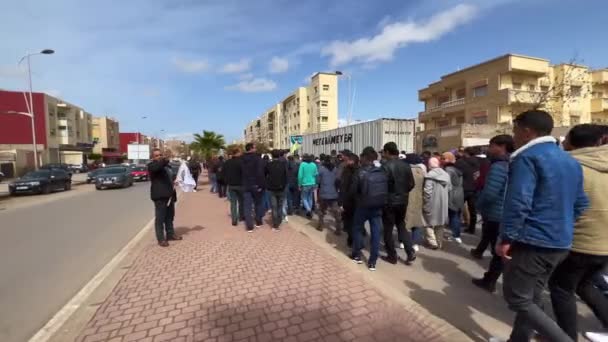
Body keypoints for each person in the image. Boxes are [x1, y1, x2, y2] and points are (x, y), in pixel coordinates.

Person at [496, 110, 588, 342]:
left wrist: (508, 237)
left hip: (533, 241)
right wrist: (561, 225)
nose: (513, 135)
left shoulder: (526, 157)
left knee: (518, 298)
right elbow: (580, 203)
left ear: (527, 131)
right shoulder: (569, 160)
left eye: (515, 129)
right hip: (561, 242)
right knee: (533, 296)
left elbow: (519, 202)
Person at [548, 124, 608, 341]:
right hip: (604, 243)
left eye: (564, 141)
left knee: (560, 287)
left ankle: (566, 336)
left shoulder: (570, 166)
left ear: (571, 143)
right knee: (585, 284)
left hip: (579, 241)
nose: (562, 145)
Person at [470, 134, 514, 293]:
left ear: (501, 146)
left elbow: (490, 193)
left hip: (496, 213)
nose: (489, 149)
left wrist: (479, 205)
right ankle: (490, 277)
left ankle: (490, 280)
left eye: (491, 145)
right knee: (497, 247)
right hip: (505, 211)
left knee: (497, 250)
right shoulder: (513, 163)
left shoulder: (499, 166)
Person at [350, 147, 388, 271]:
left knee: (357, 228)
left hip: (363, 205)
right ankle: (372, 262)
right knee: (376, 232)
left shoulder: (360, 172)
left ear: (365, 158)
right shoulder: (381, 171)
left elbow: (353, 190)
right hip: (378, 205)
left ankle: (357, 254)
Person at [380, 142, 416, 265]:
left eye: (384, 152)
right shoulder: (406, 166)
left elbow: (382, 185)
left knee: (388, 229)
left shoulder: (385, 166)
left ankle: (392, 256)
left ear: (387, 152)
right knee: (402, 226)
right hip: (403, 201)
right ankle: (410, 252)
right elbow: (412, 184)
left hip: (389, 202)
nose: (383, 154)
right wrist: (403, 193)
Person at [148, 148, 182, 247]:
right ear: (153, 157)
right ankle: (161, 239)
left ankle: (170, 234)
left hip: (170, 195)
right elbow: (157, 168)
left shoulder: (167, 167)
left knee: (170, 217)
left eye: (160, 155)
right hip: (160, 196)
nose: (159, 156)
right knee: (160, 218)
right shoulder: (152, 166)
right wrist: (164, 160)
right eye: (157, 155)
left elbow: (170, 176)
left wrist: (175, 179)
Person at [423, 157, 451, 250]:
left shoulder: (430, 175)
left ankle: (432, 241)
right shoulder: (446, 174)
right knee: (440, 222)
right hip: (443, 202)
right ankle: (439, 242)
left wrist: (425, 202)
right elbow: (450, 188)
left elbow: (427, 191)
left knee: (428, 222)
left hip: (431, 202)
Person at [404, 153, 427, 251]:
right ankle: (415, 243)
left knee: (406, 221)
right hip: (419, 198)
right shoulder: (421, 171)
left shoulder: (407, 171)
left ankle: (404, 242)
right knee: (417, 222)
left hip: (408, 197)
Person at [241, 143, 266, 232]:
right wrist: (261, 185)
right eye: (254, 148)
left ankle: (249, 226)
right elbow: (260, 173)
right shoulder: (257, 159)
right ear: (251, 149)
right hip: (256, 184)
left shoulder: (241, 159)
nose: (255, 149)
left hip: (245, 185)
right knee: (258, 204)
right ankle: (258, 221)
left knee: (247, 206)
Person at [455, 147, 480, 234]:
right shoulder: (478, 162)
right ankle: (472, 228)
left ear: (466, 153)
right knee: (472, 210)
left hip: (463, 188)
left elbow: (456, 175)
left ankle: (456, 228)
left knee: (457, 209)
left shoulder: (460, 162)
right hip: (474, 188)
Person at [441, 152, 464, 244]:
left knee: (453, 215)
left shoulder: (448, 170)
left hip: (451, 194)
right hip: (459, 194)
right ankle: (457, 235)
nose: (441, 160)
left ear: (448, 159)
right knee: (456, 215)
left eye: (443, 158)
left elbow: (447, 184)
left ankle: (455, 235)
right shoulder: (457, 168)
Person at [339, 152, 360, 247]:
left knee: (349, 223)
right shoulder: (361, 170)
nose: (346, 162)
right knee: (356, 222)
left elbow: (343, 187)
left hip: (349, 201)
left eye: (348, 160)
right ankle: (354, 239)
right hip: (358, 201)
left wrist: (341, 202)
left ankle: (353, 240)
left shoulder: (347, 171)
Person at [317, 155, 342, 234]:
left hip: (323, 193)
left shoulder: (321, 169)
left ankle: (320, 226)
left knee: (321, 210)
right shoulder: (335, 169)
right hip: (333, 193)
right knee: (336, 212)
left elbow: (317, 181)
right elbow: (338, 180)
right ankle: (338, 229)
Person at [265, 149, 288, 230]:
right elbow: (286, 176)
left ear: (272, 155)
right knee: (280, 205)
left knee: (274, 207)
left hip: (271, 188)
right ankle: (279, 220)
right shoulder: (283, 165)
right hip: (281, 188)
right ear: (279, 155)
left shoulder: (269, 165)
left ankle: (275, 224)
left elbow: (265, 175)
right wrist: (284, 185)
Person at [224, 148, 244, 226]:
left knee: (233, 203)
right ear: (238, 153)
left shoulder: (227, 162)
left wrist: (227, 181)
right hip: (240, 185)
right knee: (241, 201)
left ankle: (234, 220)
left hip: (231, 185)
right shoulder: (241, 162)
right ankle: (241, 216)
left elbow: (223, 173)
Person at [298, 154, 318, 219]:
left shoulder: (302, 164)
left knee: (304, 198)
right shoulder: (314, 164)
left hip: (305, 183)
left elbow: (300, 176)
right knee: (310, 198)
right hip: (312, 183)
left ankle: (309, 210)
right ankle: (309, 211)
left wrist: (299, 184)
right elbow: (316, 174)